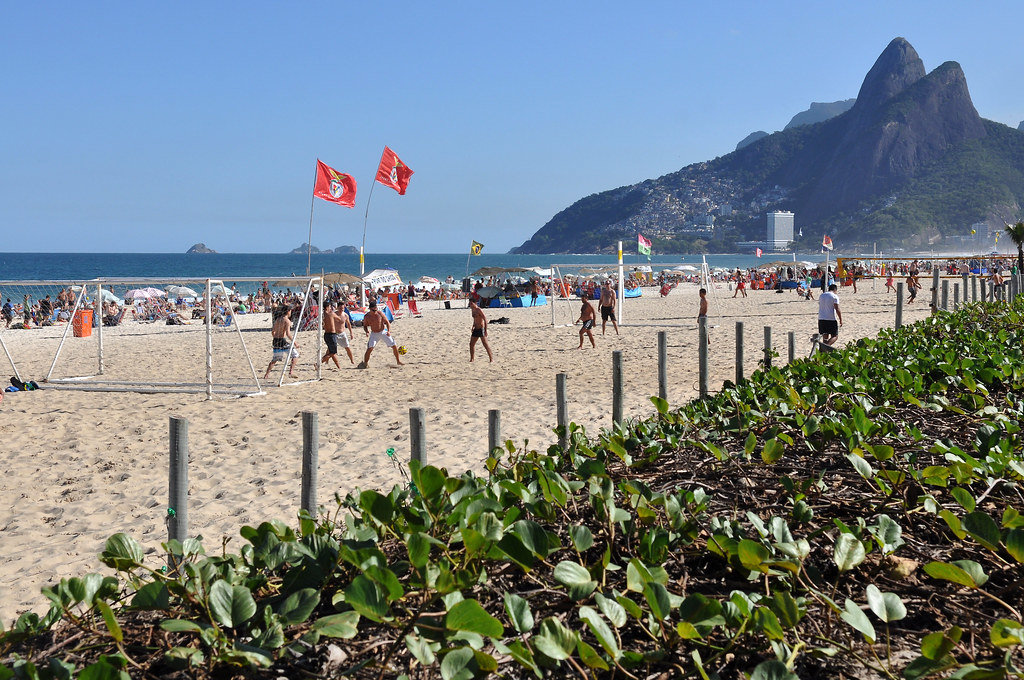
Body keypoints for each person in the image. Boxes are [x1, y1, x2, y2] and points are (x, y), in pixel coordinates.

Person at [360, 300, 403, 368]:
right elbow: (365, 325)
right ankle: (365, 363)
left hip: (383, 331)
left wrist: (389, 331)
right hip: (374, 333)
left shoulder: (380, 314)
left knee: (394, 345)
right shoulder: (367, 316)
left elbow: (387, 322)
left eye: (376, 310)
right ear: (370, 309)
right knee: (369, 348)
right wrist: (367, 331)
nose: (375, 312)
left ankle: (398, 361)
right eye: (373, 310)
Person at [263, 305, 299, 379]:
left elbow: (273, 331)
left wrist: (275, 337)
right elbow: (288, 334)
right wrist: (295, 342)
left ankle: (266, 374)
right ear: (288, 311)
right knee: (295, 355)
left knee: (275, 359)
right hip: (282, 341)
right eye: (290, 311)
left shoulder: (278, 319)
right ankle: (291, 372)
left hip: (276, 340)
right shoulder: (287, 321)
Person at [321, 302, 354, 368]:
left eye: (343, 308)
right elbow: (337, 319)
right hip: (334, 334)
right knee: (331, 350)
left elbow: (348, 324)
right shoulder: (333, 314)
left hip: (342, 333)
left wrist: (351, 333)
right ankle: (325, 361)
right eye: (340, 308)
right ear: (337, 307)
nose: (342, 309)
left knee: (347, 347)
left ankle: (352, 360)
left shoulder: (345, 315)